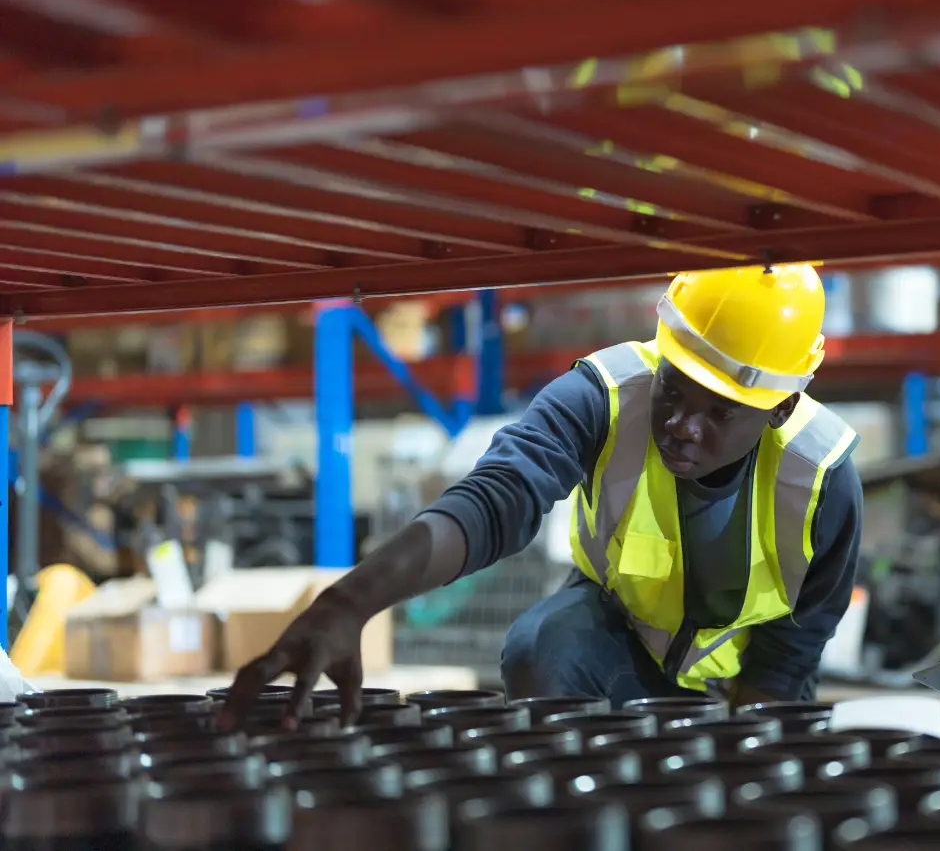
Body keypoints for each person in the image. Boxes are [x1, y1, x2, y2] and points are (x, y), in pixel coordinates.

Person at [219, 263, 862, 726]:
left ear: (779, 408)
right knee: (543, 645)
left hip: (746, 694)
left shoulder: (821, 479)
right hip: (616, 656)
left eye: (719, 412)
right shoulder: (604, 397)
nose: (680, 427)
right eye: (674, 389)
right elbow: (493, 499)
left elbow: (790, 654)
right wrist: (349, 602)